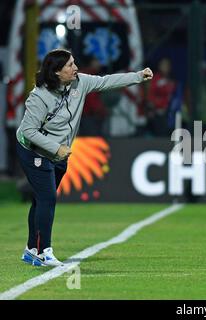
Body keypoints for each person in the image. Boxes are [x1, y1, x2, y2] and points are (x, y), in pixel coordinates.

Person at [15, 49, 153, 267]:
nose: (76, 68)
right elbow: (29, 131)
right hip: (34, 152)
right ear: (57, 72)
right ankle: (44, 251)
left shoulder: (81, 83)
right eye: (70, 65)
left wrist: (137, 76)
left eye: (74, 63)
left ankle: (31, 249)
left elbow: (107, 81)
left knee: (41, 199)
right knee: (48, 198)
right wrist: (56, 147)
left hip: (58, 154)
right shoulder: (39, 97)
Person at [145, 57, 176, 136]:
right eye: (163, 65)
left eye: (167, 65)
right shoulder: (155, 78)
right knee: (159, 133)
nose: (165, 67)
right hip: (157, 112)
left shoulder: (171, 79)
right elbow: (151, 93)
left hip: (169, 112)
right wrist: (151, 106)